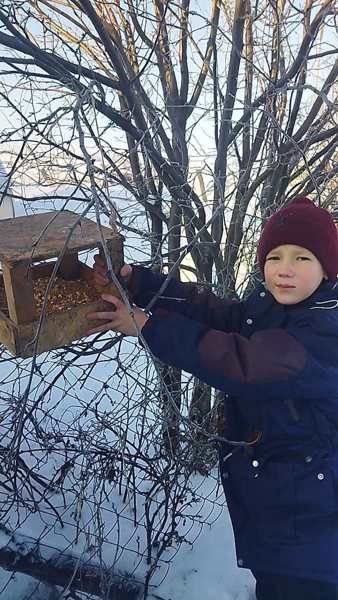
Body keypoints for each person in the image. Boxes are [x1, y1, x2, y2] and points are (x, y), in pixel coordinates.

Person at [86, 197, 338, 600]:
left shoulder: (325, 332)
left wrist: (151, 328)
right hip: (280, 512)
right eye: (274, 256)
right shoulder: (272, 308)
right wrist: (140, 284)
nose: (285, 269)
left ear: (327, 268)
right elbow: (213, 313)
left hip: (310, 531)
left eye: (302, 258)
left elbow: (245, 364)